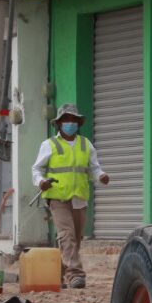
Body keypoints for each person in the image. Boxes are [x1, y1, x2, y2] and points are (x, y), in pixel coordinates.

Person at [31, 103, 109, 289]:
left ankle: (56, 276)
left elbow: (94, 167)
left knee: (76, 238)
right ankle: (75, 274)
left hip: (79, 198)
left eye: (74, 120)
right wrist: (41, 181)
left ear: (78, 123)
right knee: (67, 235)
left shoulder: (85, 144)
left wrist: (101, 176)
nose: (70, 123)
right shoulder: (49, 144)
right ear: (59, 124)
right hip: (58, 197)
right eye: (66, 120)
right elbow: (36, 169)